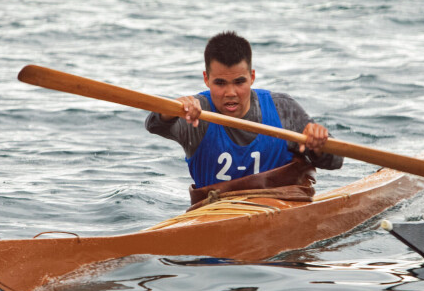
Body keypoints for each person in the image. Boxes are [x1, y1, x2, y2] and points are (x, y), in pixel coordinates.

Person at [146, 31, 343, 194]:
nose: (230, 93)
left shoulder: (282, 109)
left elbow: (334, 161)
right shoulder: (196, 115)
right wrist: (173, 110)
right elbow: (154, 125)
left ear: (252, 77)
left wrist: (318, 145)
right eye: (220, 83)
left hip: (283, 213)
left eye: (239, 82)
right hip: (214, 215)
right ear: (206, 79)